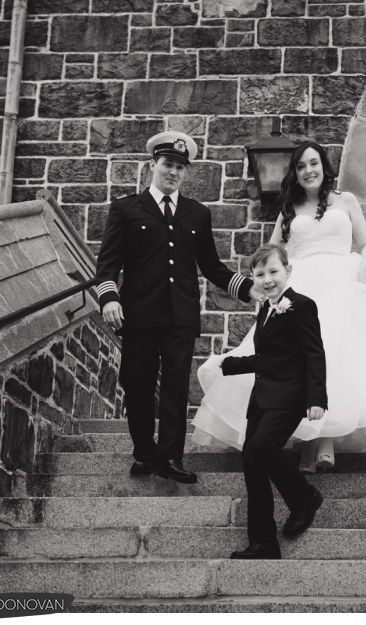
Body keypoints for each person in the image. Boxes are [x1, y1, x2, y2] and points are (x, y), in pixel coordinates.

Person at [191, 141, 366, 467]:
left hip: (343, 282)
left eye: (313, 163)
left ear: (324, 167)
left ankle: (324, 440)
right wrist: (267, 284)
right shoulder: (289, 209)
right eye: (300, 166)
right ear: (295, 174)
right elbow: (270, 253)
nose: (308, 171)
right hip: (301, 287)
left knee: (338, 357)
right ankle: (306, 441)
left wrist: (359, 272)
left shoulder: (347, 201)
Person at [95, 131, 259, 485]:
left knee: (175, 386)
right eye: (167, 164)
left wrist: (249, 288)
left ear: (186, 173)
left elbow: (212, 266)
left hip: (180, 317)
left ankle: (169, 456)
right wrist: (109, 297)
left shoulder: (196, 213)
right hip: (137, 314)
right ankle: (143, 453)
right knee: (137, 385)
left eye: (180, 167)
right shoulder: (126, 208)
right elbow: (107, 264)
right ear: (153, 165)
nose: (173, 172)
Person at [223, 244, 327, 560]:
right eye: (260, 274)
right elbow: (272, 357)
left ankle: (305, 498)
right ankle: (264, 542)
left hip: (290, 395)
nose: (267, 279)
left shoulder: (302, 305)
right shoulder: (266, 309)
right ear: (253, 278)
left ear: (287, 271)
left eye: (273, 272)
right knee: (252, 462)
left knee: (263, 448)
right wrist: (231, 364)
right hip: (263, 398)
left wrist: (317, 398)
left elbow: (313, 353)